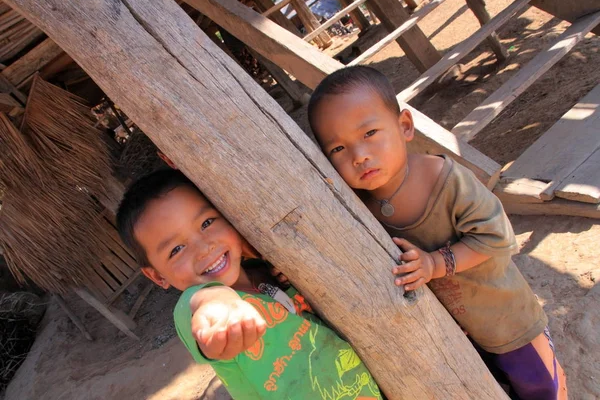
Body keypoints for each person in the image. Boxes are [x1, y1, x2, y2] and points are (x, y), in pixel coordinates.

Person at [307, 65, 567, 400]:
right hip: (457, 336)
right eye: (338, 149)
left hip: (507, 318)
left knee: (543, 388)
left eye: (369, 133)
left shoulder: (445, 180)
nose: (360, 156)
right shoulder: (359, 207)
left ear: (404, 126)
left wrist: (434, 264)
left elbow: (497, 237)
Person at [116, 169, 382, 400]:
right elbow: (202, 302)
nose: (204, 248)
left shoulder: (264, 270)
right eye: (176, 249)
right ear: (157, 276)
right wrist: (219, 306)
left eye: (207, 223)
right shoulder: (197, 308)